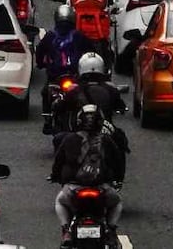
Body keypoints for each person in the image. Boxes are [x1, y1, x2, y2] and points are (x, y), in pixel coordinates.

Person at [51, 104, 126, 246]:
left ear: (79, 121)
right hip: (101, 188)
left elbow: (58, 161)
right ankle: (110, 230)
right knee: (117, 202)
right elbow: (118, 161)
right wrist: (118, 178)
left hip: (74, 188)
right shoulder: (106, 140)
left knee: (60, 201)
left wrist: (55, 176)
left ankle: (66, 230)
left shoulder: (69, 139)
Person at [52, 53, 129, 149]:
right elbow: (120, 106)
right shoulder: (110, 89)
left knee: (59, 141)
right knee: (120, 142)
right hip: (103, 130)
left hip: (81, 131)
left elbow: (59, 107)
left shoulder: (74, 90)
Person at [37, 5, 94, 132]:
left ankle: (47, 120)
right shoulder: (79, 36)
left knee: (45, 92)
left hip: (55, 76)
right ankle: (87, 116)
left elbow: (39, 52)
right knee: (86, 93)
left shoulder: (50, 36)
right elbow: (91, 52)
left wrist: (40, 64)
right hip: (75, 75)